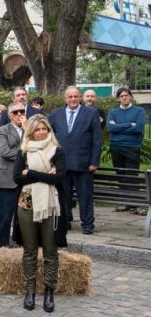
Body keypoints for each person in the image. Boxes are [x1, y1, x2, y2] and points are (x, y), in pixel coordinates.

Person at [14, 114, 66, 313]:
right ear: (31, 131)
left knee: (51, 250)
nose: (42, 132)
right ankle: (30, 291)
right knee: (30, 250)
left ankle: (49, 291)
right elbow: (17, 178)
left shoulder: (57, 151)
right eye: (38, 129)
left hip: (50, 205)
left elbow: (60, 178)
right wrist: (46, 175)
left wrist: (32, 174)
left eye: (45, 129)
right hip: (26, 204)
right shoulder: (24, 150)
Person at [49, 86, 102, 234]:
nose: (73, 99)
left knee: (85, 196)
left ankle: (87, 224)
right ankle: (65, 221)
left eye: (76, 96)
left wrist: (94, 162)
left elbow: (97, 140)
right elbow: (49, 137)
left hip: (84, 164)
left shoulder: (91, 113)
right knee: (63, 195)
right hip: (62, 164)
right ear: (65, 98)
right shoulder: (55, 114)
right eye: (70, 97)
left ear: (80, 98)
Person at [107, 87, 147, 214]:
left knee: (131, 175)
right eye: (121, 96)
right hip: (116, 147)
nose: (124, 97)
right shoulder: (113, 112)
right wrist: (130, 124)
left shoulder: (139, 110)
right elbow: (110, 129)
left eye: (126, 95)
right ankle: (125, 202)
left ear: (130, 96)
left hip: (132, 147)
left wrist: (118, 127)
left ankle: (134, 204)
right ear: (118, 98)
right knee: (120, 175)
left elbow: (138, 128)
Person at [0, 102, 26, 246]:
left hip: (25, 178)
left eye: (22, 111)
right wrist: (26, 153)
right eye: (15, 112)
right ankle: (2, 245)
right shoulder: (3, 130)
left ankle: (20, 243)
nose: (19, 114)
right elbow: (5, 152)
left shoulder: (30, 130)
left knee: (23, 216)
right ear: (9, 115)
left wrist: (27, 130)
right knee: (5, 216)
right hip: (7, 178)